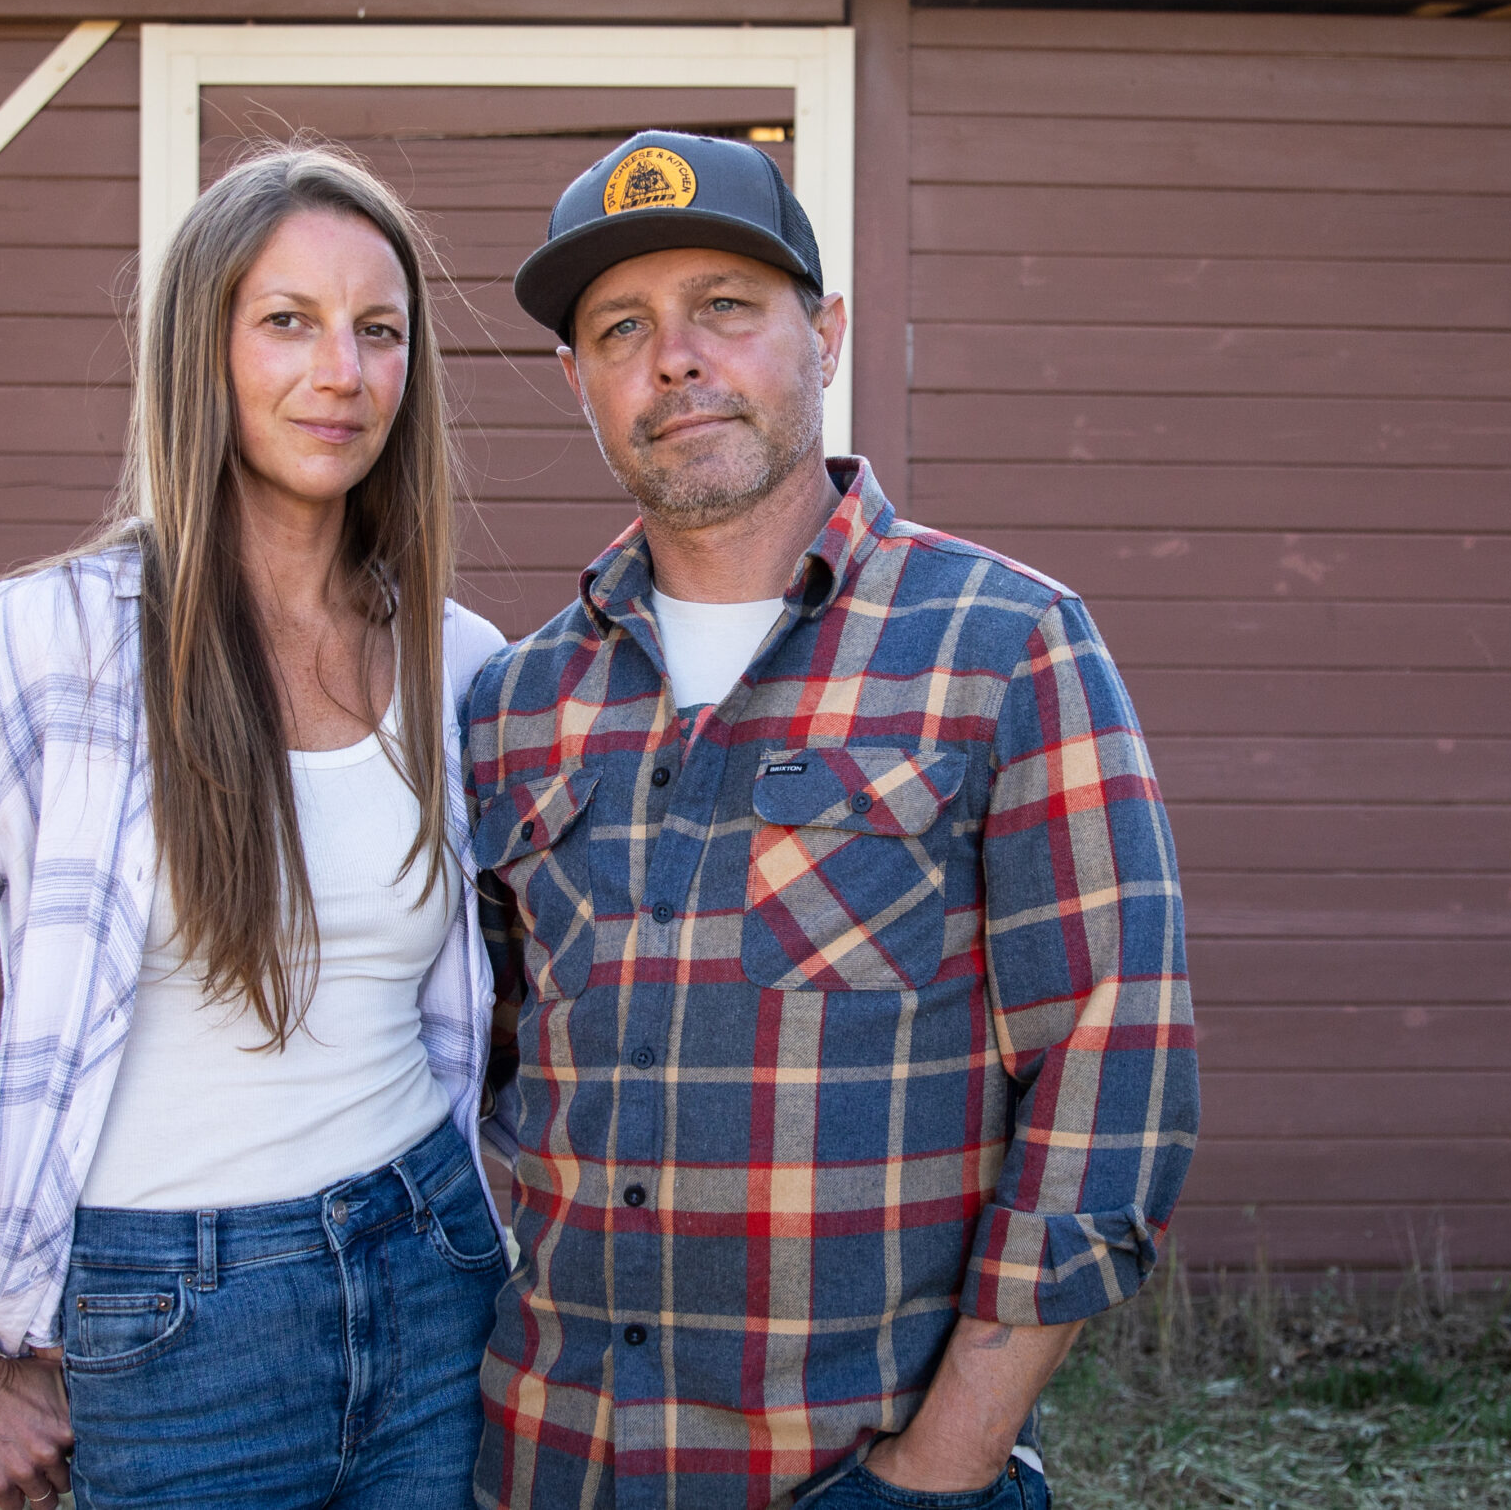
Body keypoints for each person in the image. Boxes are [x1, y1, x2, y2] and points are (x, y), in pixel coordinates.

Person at [464, 132, 1199, 1510]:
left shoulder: (1004, 646)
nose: (675, 358)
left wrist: (944, 1467)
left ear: (828, 332)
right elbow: (477, 1068)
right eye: (621, 328)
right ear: (577, 385)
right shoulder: (513, 703)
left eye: (725, 307)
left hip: (852, 1475)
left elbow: (1118, 1070)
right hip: (542, 1459)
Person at [0, 146, 511, 1510]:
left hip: (433, 1272)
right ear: (205, 347)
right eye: (289, 322)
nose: (345, 372)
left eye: (380, 332)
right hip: (172, 1323)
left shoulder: (461, 663)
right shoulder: (44, 648)